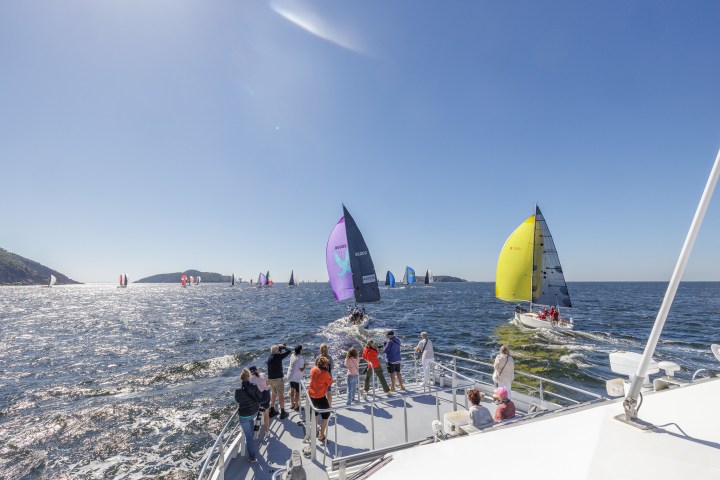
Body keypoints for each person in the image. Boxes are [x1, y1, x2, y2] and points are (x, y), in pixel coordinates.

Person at [235, 368, 263, 463]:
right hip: (254, 412)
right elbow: (259, 396)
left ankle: (252, 457)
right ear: (249, 377)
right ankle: (252, 444)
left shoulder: (238, 390)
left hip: (244, 415)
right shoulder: (254, 386)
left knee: (248, 436)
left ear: (241, 378)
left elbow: (238, 401)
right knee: (250, 424)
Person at [307, 356, 333, 442]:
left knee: (315, 413)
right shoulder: (325, 374)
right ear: (325, 365)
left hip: (311, 395)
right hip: (320, 397)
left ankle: (315, 431)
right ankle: (321, 435)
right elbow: (330, 382)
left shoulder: (313, 368)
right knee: (326, 415)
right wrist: (327, 372)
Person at [267, 343, 292, 419]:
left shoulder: (269, 357)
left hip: (271, 380)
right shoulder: (278, 357)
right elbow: (289, 351)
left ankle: (272, 410)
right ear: (277, 351)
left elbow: (275, 353)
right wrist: (283, 346)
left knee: (274, 394)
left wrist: (279, 348)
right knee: (281, 395)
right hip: (278, 380)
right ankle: (283, 412)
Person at [249, 365, 271, 439]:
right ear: (257, 369)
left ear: (250, 373)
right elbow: (268, 383)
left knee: (257, 414)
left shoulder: (250, 379)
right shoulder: (263, 374)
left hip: (258, 399)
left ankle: (255, 434)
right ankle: (267, 432)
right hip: (266, 396)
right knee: (266, 414)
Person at [287, 345, 307, 411]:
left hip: (290, 376)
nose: (303, 350)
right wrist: (305, 365)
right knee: (298, 392)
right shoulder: (300, 358)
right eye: (302, 349)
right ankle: (296, 406)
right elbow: (301, 369)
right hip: (296, 378)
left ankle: (292, 404)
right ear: (300, 350)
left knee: (292, 389)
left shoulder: (292, 355)